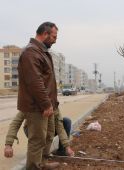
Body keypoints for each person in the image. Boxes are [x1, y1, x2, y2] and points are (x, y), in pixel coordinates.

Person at [16, 22, 62, 169]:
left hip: (45, 105)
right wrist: (46, 104)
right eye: (54, 36)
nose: (55, 39)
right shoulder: (31, 52)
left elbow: (45, 81)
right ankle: (33, 167)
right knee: (37, 140)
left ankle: (42, 163)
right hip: (37, 107)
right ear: (45, 34)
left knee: (47, 137)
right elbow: (35, 82)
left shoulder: (41, 51)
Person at [4, 111, 74, 158]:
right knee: (37, 155)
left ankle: (61, 152)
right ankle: (37, 152)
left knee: (66, 121)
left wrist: (67, 146)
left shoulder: (53, 103)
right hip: (32, 130)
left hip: (48, 130)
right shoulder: (29, 102)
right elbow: (15, 123)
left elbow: (60, 127)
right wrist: (8, 145)